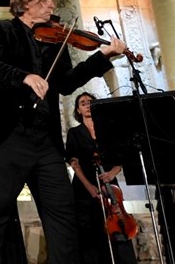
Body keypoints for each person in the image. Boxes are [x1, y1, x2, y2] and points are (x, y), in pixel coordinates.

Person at [0, 0, 127, 264]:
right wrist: (23, 76)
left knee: (63, 215)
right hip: (8, 136)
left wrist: (102, 56)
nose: (52, 5)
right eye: (44, 0)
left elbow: (67, 83)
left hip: (47, 142)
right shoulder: (2, 29)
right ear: (25, 2)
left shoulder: (56, 40)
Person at [65, 92, 138, 264]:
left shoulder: (109, 131)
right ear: (78, 110)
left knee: (118, 229)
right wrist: (89, 186)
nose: (87, 104)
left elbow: (121, 158)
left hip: (110, 185)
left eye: (90, 102)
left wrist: (112, 173)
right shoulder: (74, 133)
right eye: (82, 103)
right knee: (90, 232)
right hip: (85, 188)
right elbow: (74, 162)